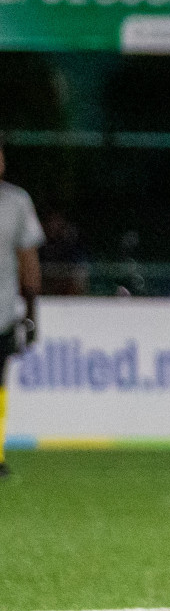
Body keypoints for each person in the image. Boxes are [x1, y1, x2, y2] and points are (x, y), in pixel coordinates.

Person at [0, 142, 44, 480]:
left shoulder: (16, 201)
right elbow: (28, 261)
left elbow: (28, 262)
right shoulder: (15, 202)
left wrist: (31, 314)